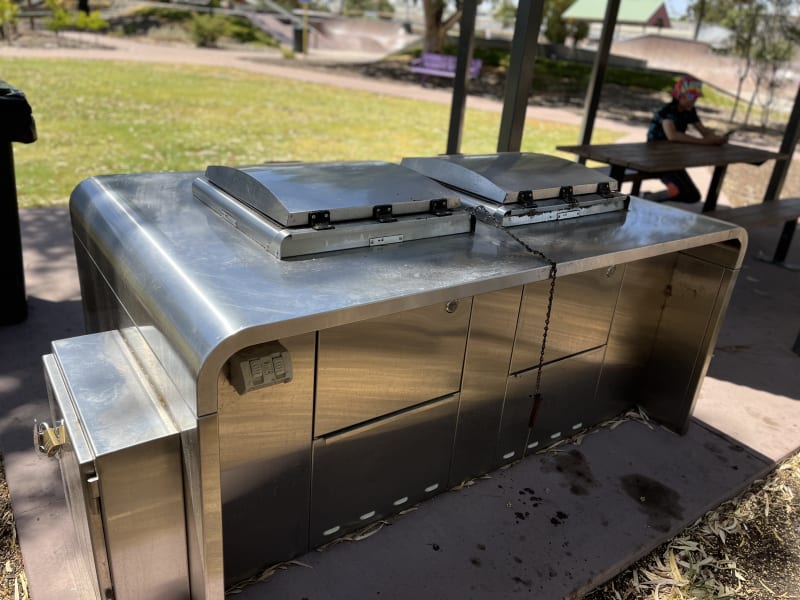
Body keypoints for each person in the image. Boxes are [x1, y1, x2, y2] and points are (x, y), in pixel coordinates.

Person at [644, 75, 729, 203]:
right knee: (678, 190)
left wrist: (716, 138)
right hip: (657, 157)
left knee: (693, 196)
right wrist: (705, 142)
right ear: (679, 96)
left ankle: (651, 198)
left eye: (695, 98)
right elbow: (672, 135)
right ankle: (649, 199)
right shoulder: (667, 111)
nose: (693, 101)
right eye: (690, 97)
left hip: (673, 158)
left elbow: (703, 131)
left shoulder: (690, 111)